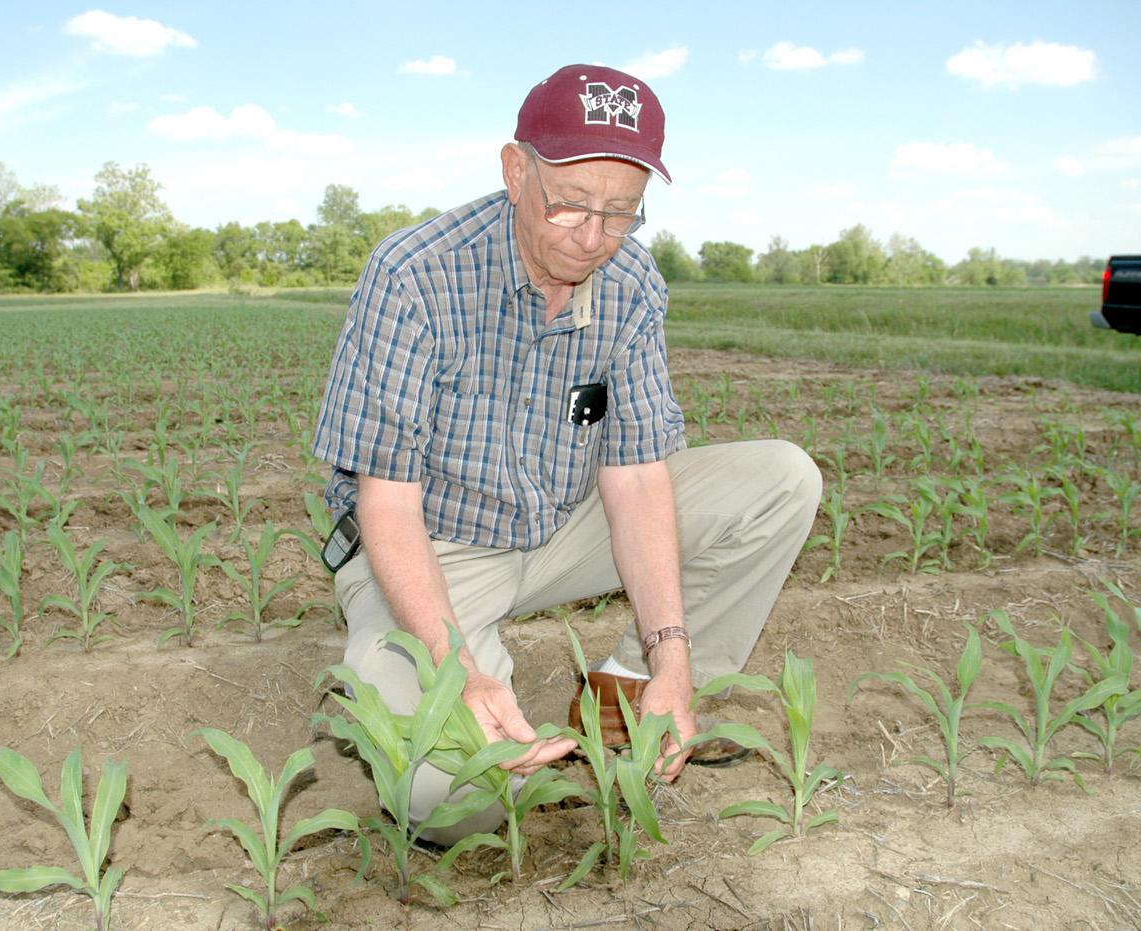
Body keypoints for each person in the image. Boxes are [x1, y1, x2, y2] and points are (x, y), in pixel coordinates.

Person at [311, 63, 821, 842]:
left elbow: (637, 474)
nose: (594, 238)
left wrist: (672, 653)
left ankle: (630, 702)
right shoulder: (416, 276)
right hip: (432, 543)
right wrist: (460, 674)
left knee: (783, 481)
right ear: (516, 171)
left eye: (622, 215)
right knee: (449, 796)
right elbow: (387, 501)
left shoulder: (631, 284)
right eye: (572, 206)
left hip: (557, 522)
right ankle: (398, 676)